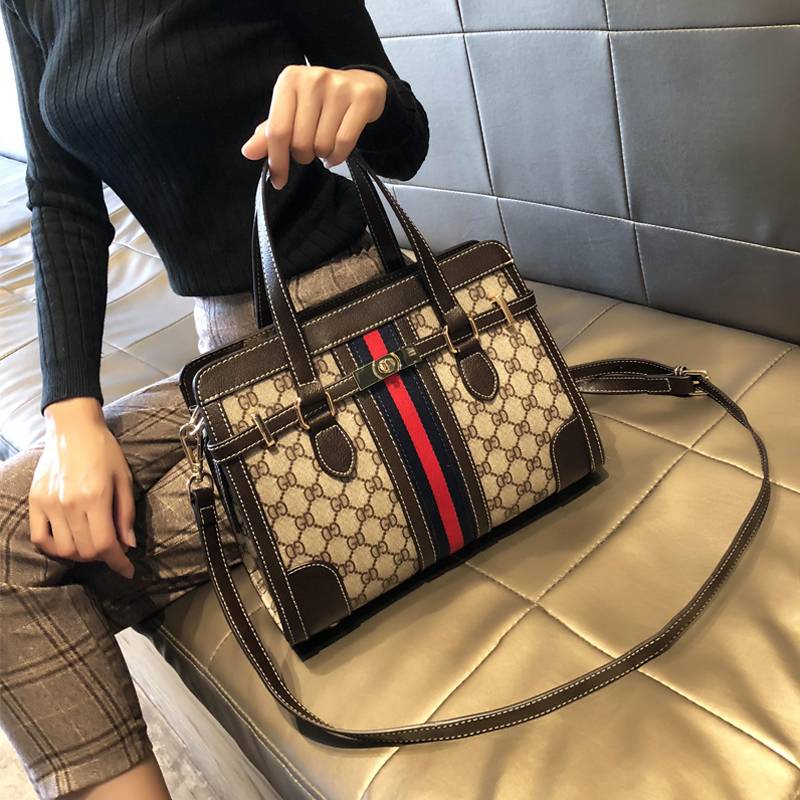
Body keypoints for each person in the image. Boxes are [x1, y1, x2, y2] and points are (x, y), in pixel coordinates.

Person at [0, 0, 429, 798]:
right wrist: (72, 415)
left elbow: (406, 138)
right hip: (228, 351)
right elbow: (60, 197)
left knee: (37, 569)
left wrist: (365, 94)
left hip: (358, 326)